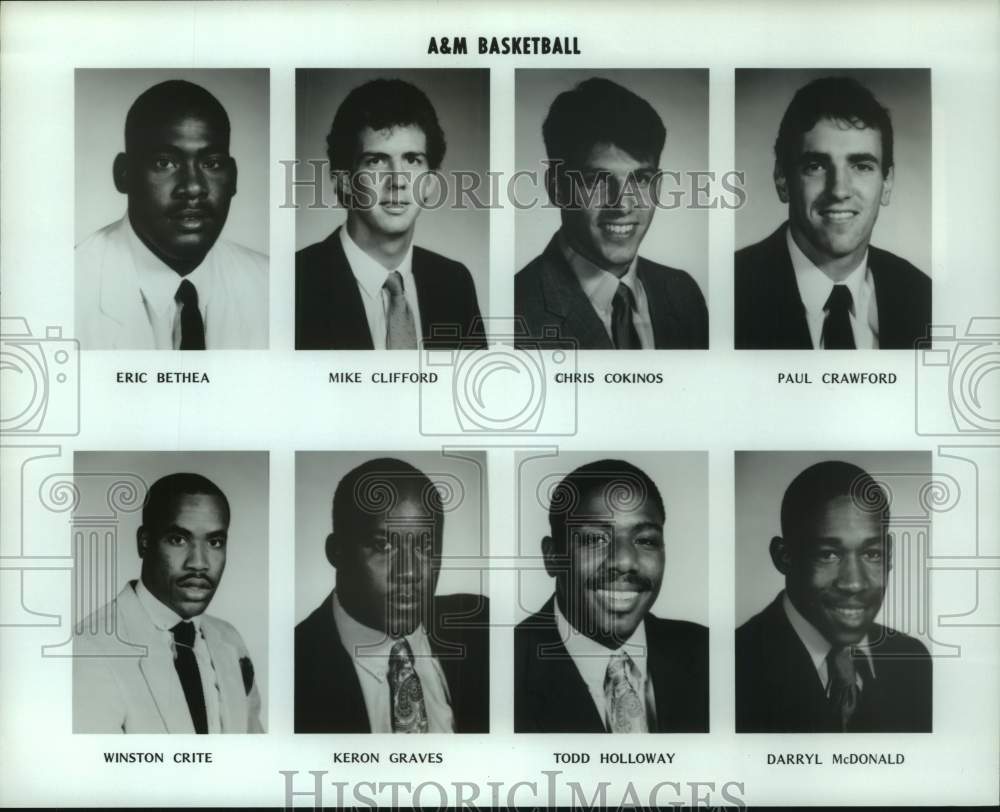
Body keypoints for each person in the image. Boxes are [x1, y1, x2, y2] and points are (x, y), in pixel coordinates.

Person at [735, 76, 931, 349]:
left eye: (861, 166)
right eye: (816, 166)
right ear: (782, 179)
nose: (839, 190)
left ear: (887, 184)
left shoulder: (924, 297)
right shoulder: (733, 290)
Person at [736, 460, 932, 732]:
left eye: (871, 554)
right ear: (784, 557)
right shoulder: (734, 666)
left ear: (889, 554)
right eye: (828, 554)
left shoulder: (912, 660)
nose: (854, 583)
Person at [295, 458, 489, 732]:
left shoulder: (483, 625)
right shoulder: (295, 665)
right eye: (383, 546)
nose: (409, 572)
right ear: (336, 551)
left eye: (425, 547)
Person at [515, 459, 709, 732]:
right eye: (595, 539)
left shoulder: (708, 653)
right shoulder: (503, 668)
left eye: (646, 540)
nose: (625, 561)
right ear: (553, 557)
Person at [514, 78, 708, 350]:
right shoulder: (515, 314)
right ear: (557, 188)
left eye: (640, 179)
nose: (622, 205)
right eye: (597, 180)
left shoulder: (683, 294)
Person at [75, 80, 268, 350]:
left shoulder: (270, 285)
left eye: (211, 163)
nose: (193, 187)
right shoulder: (64, 291)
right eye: (164, 163)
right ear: (123, 175)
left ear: (233, 177)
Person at [296, 79, 486, 350]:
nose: (398, 180)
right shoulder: (296, 283)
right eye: (375, 161)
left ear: (431, 182)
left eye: (412, 160)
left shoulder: (455, 283)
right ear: (345, 180)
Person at [73, 473, 264, 733]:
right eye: (178, 539)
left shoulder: (229, 639)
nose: (199, 563)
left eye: (215, 542)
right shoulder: (90, 650)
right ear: (144, 542)